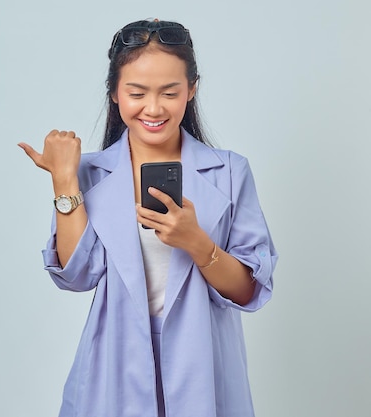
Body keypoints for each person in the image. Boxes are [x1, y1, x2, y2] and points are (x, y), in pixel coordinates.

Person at [18, 18, 277, 417]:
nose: (153, 108)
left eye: (169, 93)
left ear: (191, 90)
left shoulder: (229, 172)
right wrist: (65, 179)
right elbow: (76, 276)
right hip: (113, 363)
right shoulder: (89, 173)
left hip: (203, 363)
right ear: (115, 94)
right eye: (136, 92)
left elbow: (248, 291)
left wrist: (197, 241)